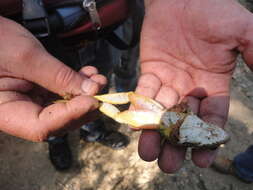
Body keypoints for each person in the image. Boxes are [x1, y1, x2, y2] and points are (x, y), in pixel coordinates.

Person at [1, 0, 253, 174]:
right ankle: (58, 141)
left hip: (114, 21)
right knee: (49, 96)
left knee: (100, 81)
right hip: (31, 35)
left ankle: (93, 130)